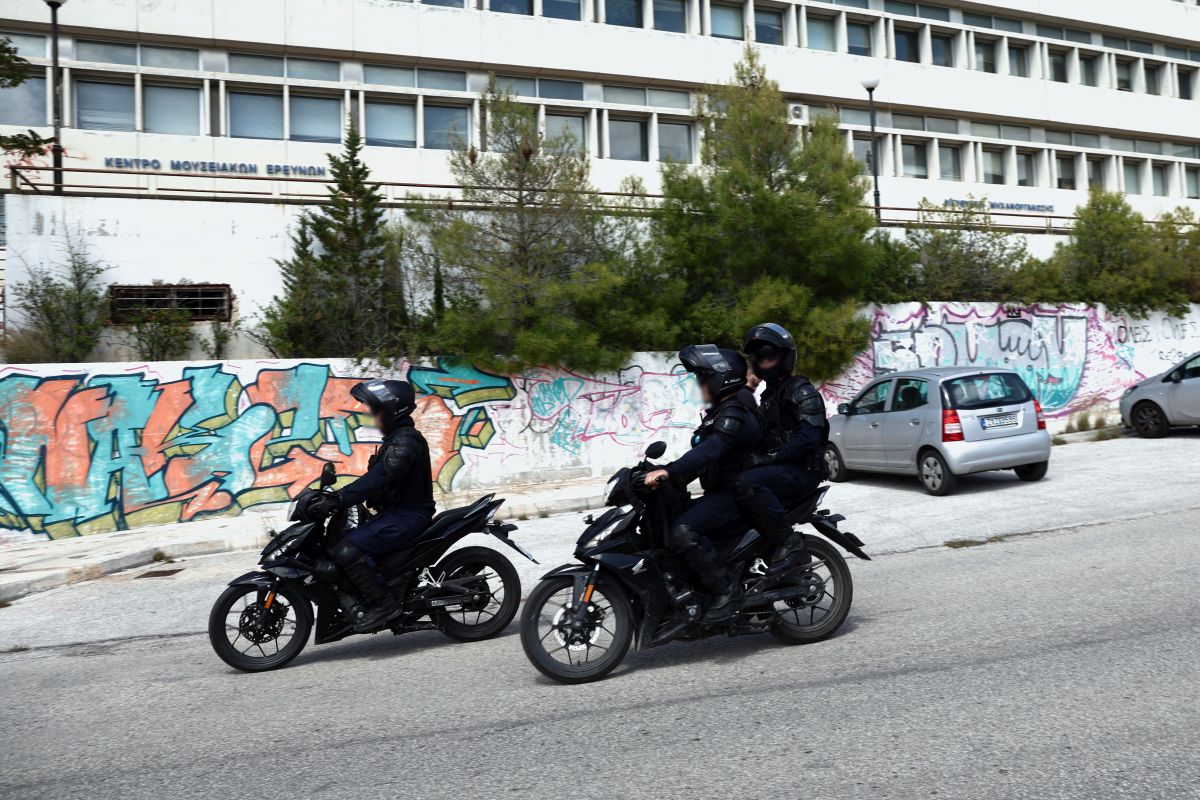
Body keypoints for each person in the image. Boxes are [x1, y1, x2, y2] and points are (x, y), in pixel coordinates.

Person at [302, 379, 435, 631]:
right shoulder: (396, 439)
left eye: (377, 410)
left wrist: (340, 498)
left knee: (346, 550)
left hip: (408, 516)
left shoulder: (406, 441)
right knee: (342, 536)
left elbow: (380, 477)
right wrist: (335, 498)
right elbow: (375, 480)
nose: (374, 416)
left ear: (393, 410)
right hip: (394, 513)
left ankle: (384, 605)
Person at [643, 345, 762, 623]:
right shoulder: (721, 411)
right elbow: (703, 457)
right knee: (672, 518)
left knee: (682, 531)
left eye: (703, 378)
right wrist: (668, 476)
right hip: (723, 492)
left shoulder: (735, 412)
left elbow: (713, 448)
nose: (699, 385)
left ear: (722, 378)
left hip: (737, 494)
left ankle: (726, 591)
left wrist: (671, 471)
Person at [736, 323, 829, 574]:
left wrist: (770, 457)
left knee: (748, 483)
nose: (763, 361)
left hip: (802, 470)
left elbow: (809, 437)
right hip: (782, 469)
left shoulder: (801, 390)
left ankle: (789, 542)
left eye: (769, 355)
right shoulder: (769, 396)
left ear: (786, 356)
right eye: (758, 357)